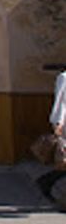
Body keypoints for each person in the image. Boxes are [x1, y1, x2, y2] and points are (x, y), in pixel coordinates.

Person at [37, 70, 66, 199]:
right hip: (65, 125)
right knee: (64, 159)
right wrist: (57, 122)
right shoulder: (64, 77)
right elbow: (60, 102)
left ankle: (46, 181)